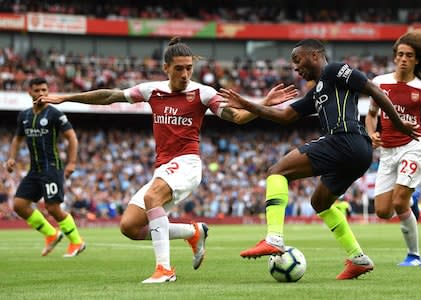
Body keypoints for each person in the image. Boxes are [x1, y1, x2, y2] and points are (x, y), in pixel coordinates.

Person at [37, 37, 297, 283]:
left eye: (189, 69)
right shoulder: (152, 91)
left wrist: (261, 104)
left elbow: (237, 117)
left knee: (152, 199)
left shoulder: (202, 94)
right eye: (179, 69)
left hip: (187, 164)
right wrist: (66, 97)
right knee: (129, 226)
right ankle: (193, 232)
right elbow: (110, 96)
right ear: (166, 68)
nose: (185, 75)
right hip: (164, 167)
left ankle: (164, 269)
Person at [219, 38, 420, 280]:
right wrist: (248, 105)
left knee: (276, 171)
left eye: (297, 60)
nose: (295, 67)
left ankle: (274, 238)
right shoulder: (317, 91)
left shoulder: (334, 70)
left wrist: (396, 122)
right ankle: (358, 259)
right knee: (320, 203)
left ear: (314, 55)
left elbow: (374, 90)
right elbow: (285, 116)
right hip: (356, 152)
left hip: (345, 139)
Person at [365, 31, 421, 267]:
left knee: (398, 203)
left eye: (409, 55)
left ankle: (414, 255)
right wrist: (372, 134)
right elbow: (370, 116)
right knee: (382, 212)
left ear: (416, 60)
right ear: (394, 57)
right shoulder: (379, 83)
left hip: (413, 146)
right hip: (387, 152)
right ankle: (411, 199)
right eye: (400, 54)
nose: (403, 59)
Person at [6, 77, 86, 257]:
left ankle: (77, 242)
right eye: (37, 91)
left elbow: (72, 137)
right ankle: (51, 234)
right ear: (30, 92)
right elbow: (17, 139)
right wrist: (12, 158)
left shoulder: (54, 114)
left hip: (52, 167)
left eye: (44, 90)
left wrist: (72, 162)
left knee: (53, 208)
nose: (41, 94)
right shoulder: (24, 115)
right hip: (34, 169)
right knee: (19, 205)